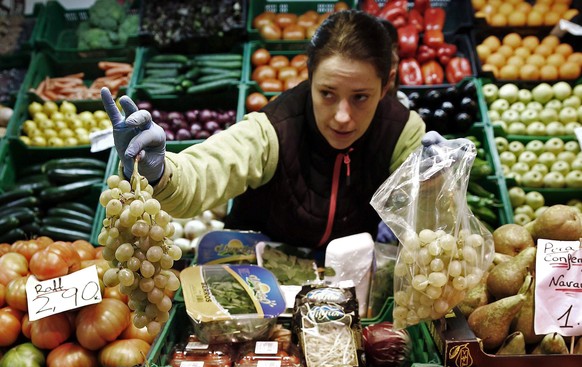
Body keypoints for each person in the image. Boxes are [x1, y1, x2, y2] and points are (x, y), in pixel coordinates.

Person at [102, 9, 443, 250]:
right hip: (258, 278)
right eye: (327, 93)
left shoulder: (403, 132)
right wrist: (162, 172)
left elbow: (427, 227)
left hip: (348, 282)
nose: (342, 116)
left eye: (360, 98)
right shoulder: (273, 129)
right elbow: (209, 169)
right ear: (308, 78)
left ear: (386, 87)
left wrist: (436, 184)